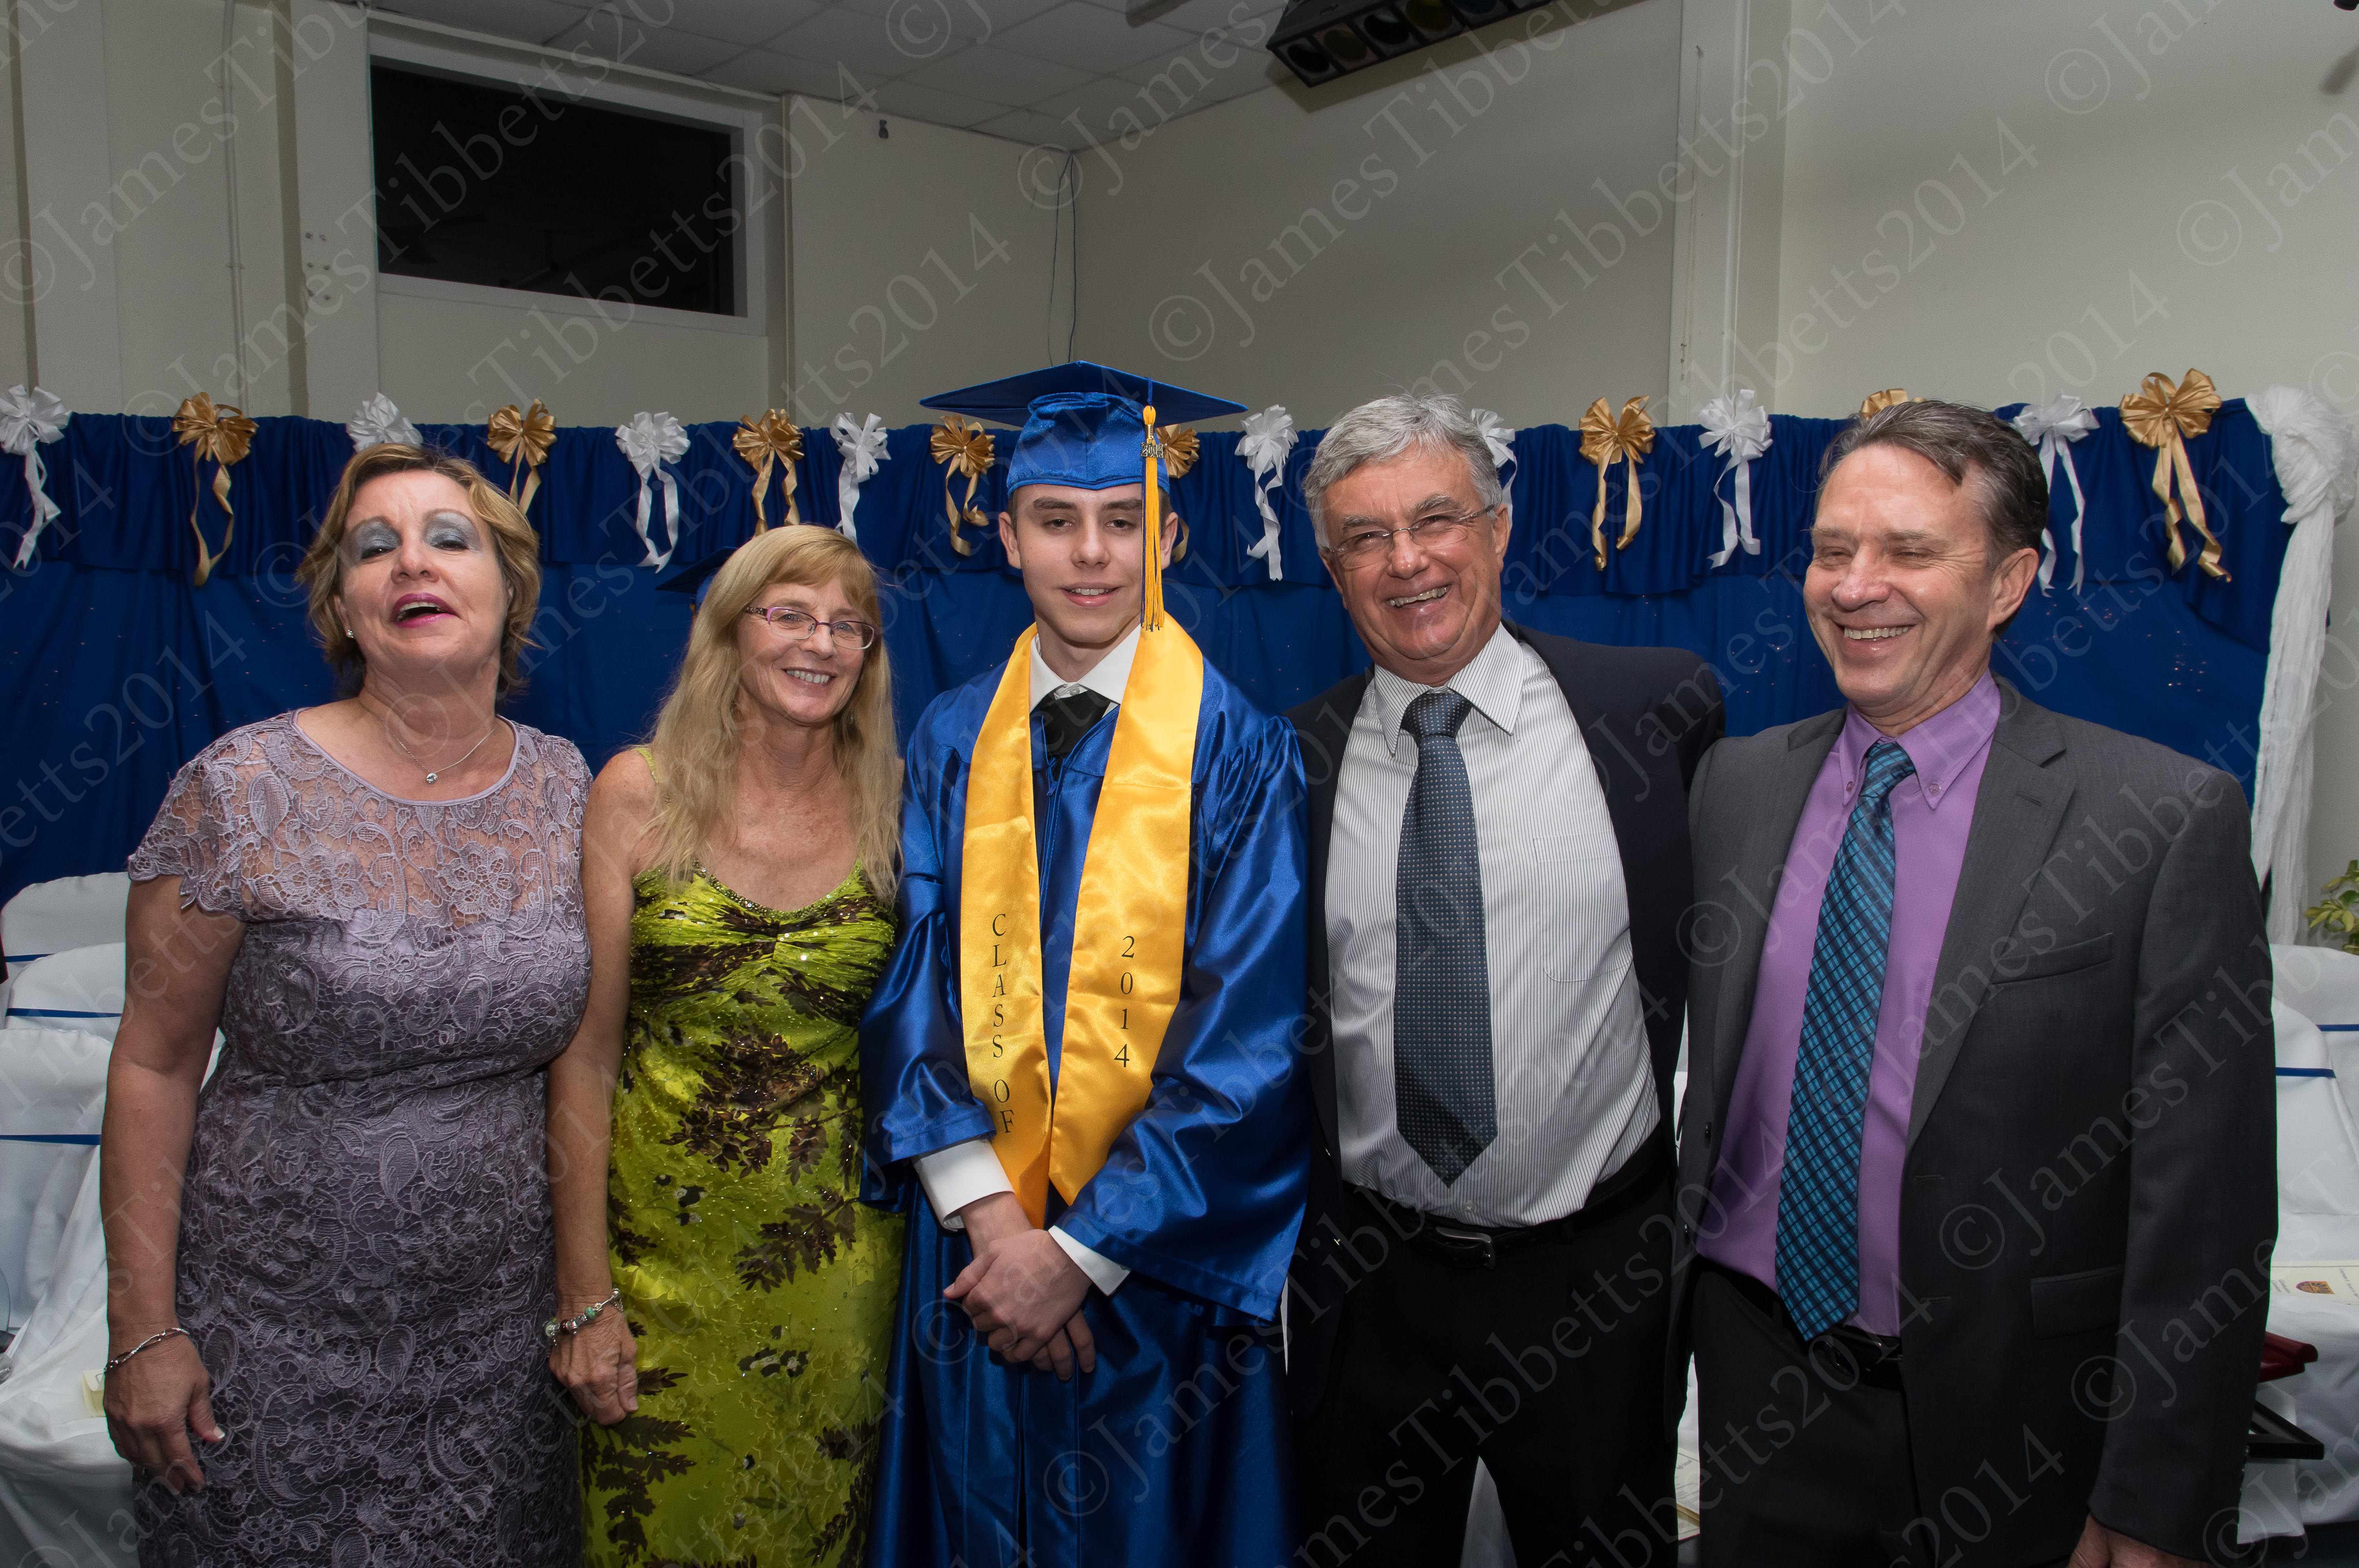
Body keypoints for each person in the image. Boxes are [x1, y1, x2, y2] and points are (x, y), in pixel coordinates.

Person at [1676, 399, 2274, 1568]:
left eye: (1908, 551)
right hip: (1759, 1391)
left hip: (2023, 1424)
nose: (1857, 587)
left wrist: (2157, 1499)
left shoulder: (2158, 819)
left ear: (2008, 583)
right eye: (1833, 550)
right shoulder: (1736, 786)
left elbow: (2206, 1209)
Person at [101, 444, 587, 1563]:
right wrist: (142, 1330)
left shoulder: (570, 787)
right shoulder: (239, 790)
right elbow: (152, 1065)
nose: (412, 562)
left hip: (503, 1350)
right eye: (376, 548)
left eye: (449, 539)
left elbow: (588, 1056)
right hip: (265, 1339)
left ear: (510, 588)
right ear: (344, 609)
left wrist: (585, 1296)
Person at [859, 362, 1311, 1567]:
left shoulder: (1238, 749)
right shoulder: (952, 737)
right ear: (1008, 537)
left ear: (1168, 537)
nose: (1094, 554)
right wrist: (996, 1228)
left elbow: (1249, 1043)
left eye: (1123, 521)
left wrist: (1079, 1256)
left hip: (1154, 1272)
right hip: (975, 1261)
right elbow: (913, 991)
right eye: (1058, 521)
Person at [1283, 393, 1723, 1566]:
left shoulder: (1656, 712)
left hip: (1596, 1285)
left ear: (1499, 525)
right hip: (1373, 1288)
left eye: (1436, 519)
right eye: (1366, 538)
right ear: (1333, 570)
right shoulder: (1292, 758)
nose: (1407, 560)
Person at [545, 525, 907, 1567]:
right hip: (651, 1263)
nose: (821, 643)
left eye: (848, 626)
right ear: (728, 632)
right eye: (789, 615)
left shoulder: (901, 802)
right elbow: (584, 1059)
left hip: (838, 1265)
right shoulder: (634, 794)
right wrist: (583, 1294)